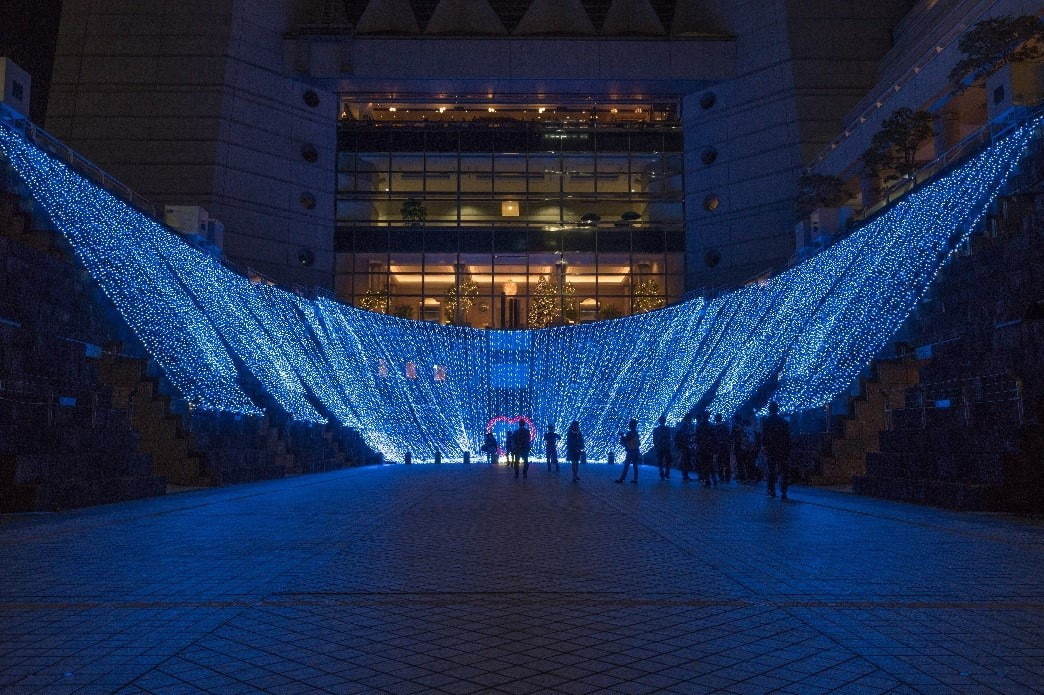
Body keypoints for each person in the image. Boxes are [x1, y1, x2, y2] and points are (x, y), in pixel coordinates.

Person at [761, 401, 792, 499]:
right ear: (777, 409)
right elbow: (787, 437)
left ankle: (772, 490)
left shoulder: (766, 421)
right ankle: (784, 491)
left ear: (769, 409)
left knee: (771, 470)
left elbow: (764, 436)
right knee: (783, 470)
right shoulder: (783, 421)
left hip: (771, 449)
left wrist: (764, 447)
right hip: (782, 449)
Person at [615, 419, 641, 484]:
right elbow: (638, 443)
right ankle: (635, 479)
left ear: (631, 425)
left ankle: (622, 479)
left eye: (630, 424)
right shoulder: (636, 433)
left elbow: (626, 440)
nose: (629, 425)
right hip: (636, 451)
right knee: (635, 465)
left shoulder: (630, 433)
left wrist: (621, 435)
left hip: (630, 451)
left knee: (627, 465)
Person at [695, 411, 716, 488]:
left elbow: (697, 437)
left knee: (703, 464)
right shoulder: (711, 425)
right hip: (709, 447)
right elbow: (714, 437)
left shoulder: (699, 426)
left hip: (702, 447)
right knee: (709, 463)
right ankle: (713, 479)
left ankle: (706, 480)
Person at [674, 414, 695, 481]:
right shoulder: (685, 425)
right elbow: (684, 435)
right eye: (690, 419)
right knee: (685, 460)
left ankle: (685, 475)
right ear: (688, 419)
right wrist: (692, 435)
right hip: (684, 445)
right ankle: (685, 475)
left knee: (685, 460)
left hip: (683, 445)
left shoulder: (683, 425)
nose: (691, 420)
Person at [652, 415, 672, 479]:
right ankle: (666, 473)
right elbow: (669, 438)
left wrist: (656, 445)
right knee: (667, 460)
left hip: (661, 447)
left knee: (661, 460)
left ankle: (662, 473)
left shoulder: (656, 429)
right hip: (665, 446)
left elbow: (654, 439)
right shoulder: (667, 429)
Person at [713, 414, 731, 483]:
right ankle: (727, 477)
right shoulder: (725, 427)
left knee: (720, 462)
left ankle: (721, 477)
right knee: (726, 462)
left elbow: (714, 438)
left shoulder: (715, 427)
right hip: (725, 446)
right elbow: (728, 436)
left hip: (719, 447)